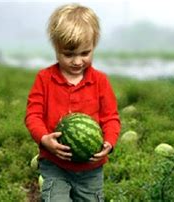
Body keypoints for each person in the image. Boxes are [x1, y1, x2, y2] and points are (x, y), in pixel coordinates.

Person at [24, 3, 121, 202]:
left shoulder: (100, 81)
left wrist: (109, 143)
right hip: (54, 164)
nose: (77, 62)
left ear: (93, 46)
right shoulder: (44, 79)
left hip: (90, 170)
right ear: (56, 49)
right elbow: (33, 115)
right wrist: (44, 139)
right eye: (68, 54)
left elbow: (111, 118)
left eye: (85, 53)